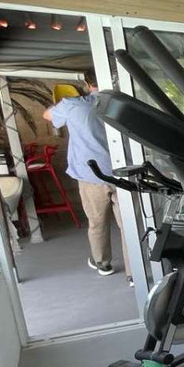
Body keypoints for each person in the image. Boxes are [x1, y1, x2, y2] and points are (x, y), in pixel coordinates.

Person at [42, 78, 129, 280]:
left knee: (97, 222)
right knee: (128, 224)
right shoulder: (122, 101)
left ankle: (103, 263)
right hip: (124, 172)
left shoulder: (72, 105)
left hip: (92, 175)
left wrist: (63, 102)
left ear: (88, 83)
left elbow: (47, 115)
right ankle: (134, 273)